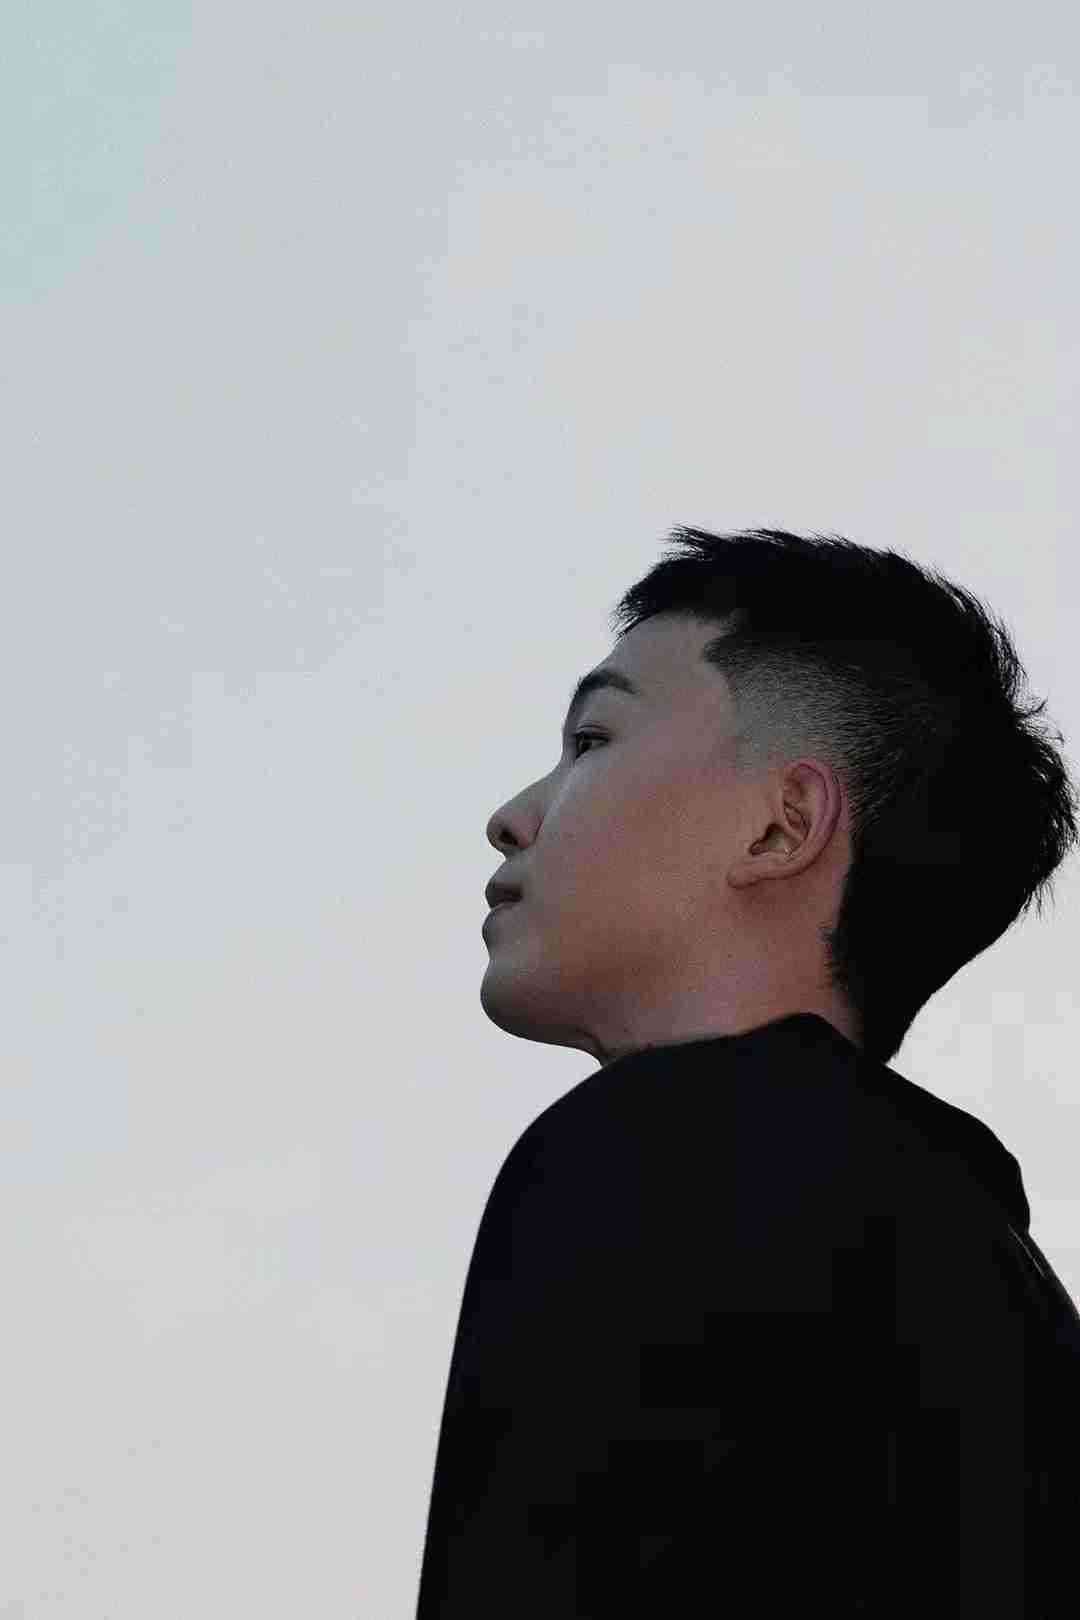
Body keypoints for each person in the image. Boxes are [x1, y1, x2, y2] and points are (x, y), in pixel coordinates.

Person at [415, 527, 1080, 1617]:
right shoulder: (1002, 1287)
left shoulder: (652, 1154)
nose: (514, 816)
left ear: (783, 825)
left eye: (591, 740)